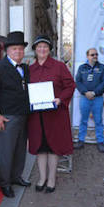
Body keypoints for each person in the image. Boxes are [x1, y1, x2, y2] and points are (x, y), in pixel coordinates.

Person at [0, 31, 31, 198]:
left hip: (24, 115)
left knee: (20, 150)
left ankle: (16, 177)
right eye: (14, 49)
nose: (18, 52)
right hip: (7, 117)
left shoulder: (25, 68)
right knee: (6, 152)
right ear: (8, 51)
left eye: (20, 49)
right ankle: (5, 183)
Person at [28, 36, 75, 193]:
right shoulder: (30, 69)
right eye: (39, 47)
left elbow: (70, 85)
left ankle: (52, 179)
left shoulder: (59, 66)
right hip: (36, 117)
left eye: (45, 47)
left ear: (49, 49)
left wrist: (60, 99)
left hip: (54, 116)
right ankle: (42, 178)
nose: (42, 49)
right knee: (40, 147)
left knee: (53, 147)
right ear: (35, 50)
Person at [74, 48, 104, 153]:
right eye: (92, 54)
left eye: (96, 54)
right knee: (83, 120)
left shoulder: (102, 67)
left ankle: (100, 142)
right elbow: (78, 82)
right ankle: (81, 141)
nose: (95, 56)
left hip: (97, 98)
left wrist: (94, 93)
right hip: (84, 98)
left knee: (98, 120)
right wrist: (86, 92)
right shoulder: (81, 68)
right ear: (87, 56)